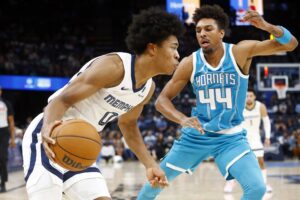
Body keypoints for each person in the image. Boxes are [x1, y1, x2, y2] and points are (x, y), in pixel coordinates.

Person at [138, 5, 298, 200]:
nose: (202, 34)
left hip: (231, 138)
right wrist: (182, 119)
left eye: (208, 29)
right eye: (198, 30)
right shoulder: (190, 62)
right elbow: (161, 100)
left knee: (257, 188)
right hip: (196, 136)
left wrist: (267, 27)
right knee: (152, 186)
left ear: (221, 32)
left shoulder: (240, 51)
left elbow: (291, 44)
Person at [22, 8, 184, 200]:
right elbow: (61, 100)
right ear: (152, 48)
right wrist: (48, 128)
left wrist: (150, 165)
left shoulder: (147, 89)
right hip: (50, 135)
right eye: (173, 47)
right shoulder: (114, 67)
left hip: (79, 145)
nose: (178, 55)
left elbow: (128, 126)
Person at [224, 88, 272, 193]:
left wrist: (267, 137)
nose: (248, 98)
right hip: (241, 138)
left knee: (260, 161)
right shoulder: (238, 107)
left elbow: (266, 122)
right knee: (236, 163)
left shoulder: (261, 107)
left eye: (250, 96)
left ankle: (264, 183)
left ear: (254, 97)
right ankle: (230, 183)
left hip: (255, 139)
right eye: (246, 96)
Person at [0, 86, 16, 192]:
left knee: (2, 158)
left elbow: (11, 122)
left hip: (3, 132)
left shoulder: (6, 104)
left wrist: (13, 139)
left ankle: (3, 183)